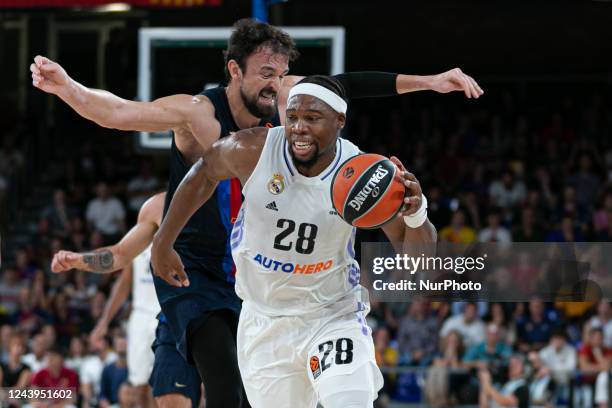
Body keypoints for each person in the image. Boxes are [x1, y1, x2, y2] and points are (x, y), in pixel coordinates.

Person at [32, 18, 480, 407]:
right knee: (225, 393)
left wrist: (430, 81)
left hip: (278, 283)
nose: (279, 85)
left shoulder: (299, 118)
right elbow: (118, 113)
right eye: (268, 73)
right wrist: (69, 87)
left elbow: (346, 84)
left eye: (284, 75)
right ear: (234, 70)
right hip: (201, 269)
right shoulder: (200, 115)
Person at [151, 75, 437, 407]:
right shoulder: (253, 149)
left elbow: (419, 265)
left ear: (339, 121)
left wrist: (417, 215)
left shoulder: (363, 174)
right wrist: (163, 240)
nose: (299, 128)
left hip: (331, 314)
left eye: (312, 118)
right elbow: (203, 173)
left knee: (349, 400)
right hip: (264, 320)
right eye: (293, 117)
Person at [51, 193, 200, 408]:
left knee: (177, 386)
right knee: (140, 385)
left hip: (173, 311)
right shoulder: (139, 243)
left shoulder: (189, 233)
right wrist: (103, 322)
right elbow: (121, 282)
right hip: (141, 315)